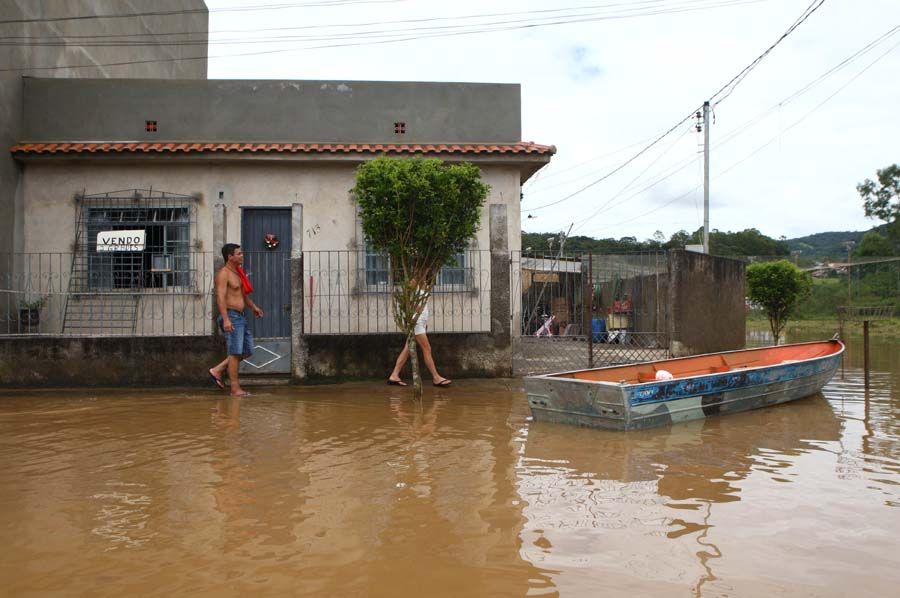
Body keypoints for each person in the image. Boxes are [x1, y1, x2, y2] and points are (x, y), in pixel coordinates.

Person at [208, 243, 263, 397]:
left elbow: (243, 295)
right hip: (231, 316)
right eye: (239, 254)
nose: (242, 256)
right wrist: (225, 319)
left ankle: (217, 370)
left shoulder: (237, 273)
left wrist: (254, 307)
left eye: (241, 253)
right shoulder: (223, 274)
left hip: (240, 316)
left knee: (247, 351)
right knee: (234, 353)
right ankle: (235, 389)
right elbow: (219, 297)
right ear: (230, 257)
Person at [387, 281, 451, 387]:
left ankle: (394, 375)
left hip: (420, 322)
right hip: (417, 322)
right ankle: (436, 377)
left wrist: (424, 322)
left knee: (407, 349)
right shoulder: (413, 281)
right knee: (427, 349)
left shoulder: (422, 282)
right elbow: (410, 303)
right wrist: (417, 311)